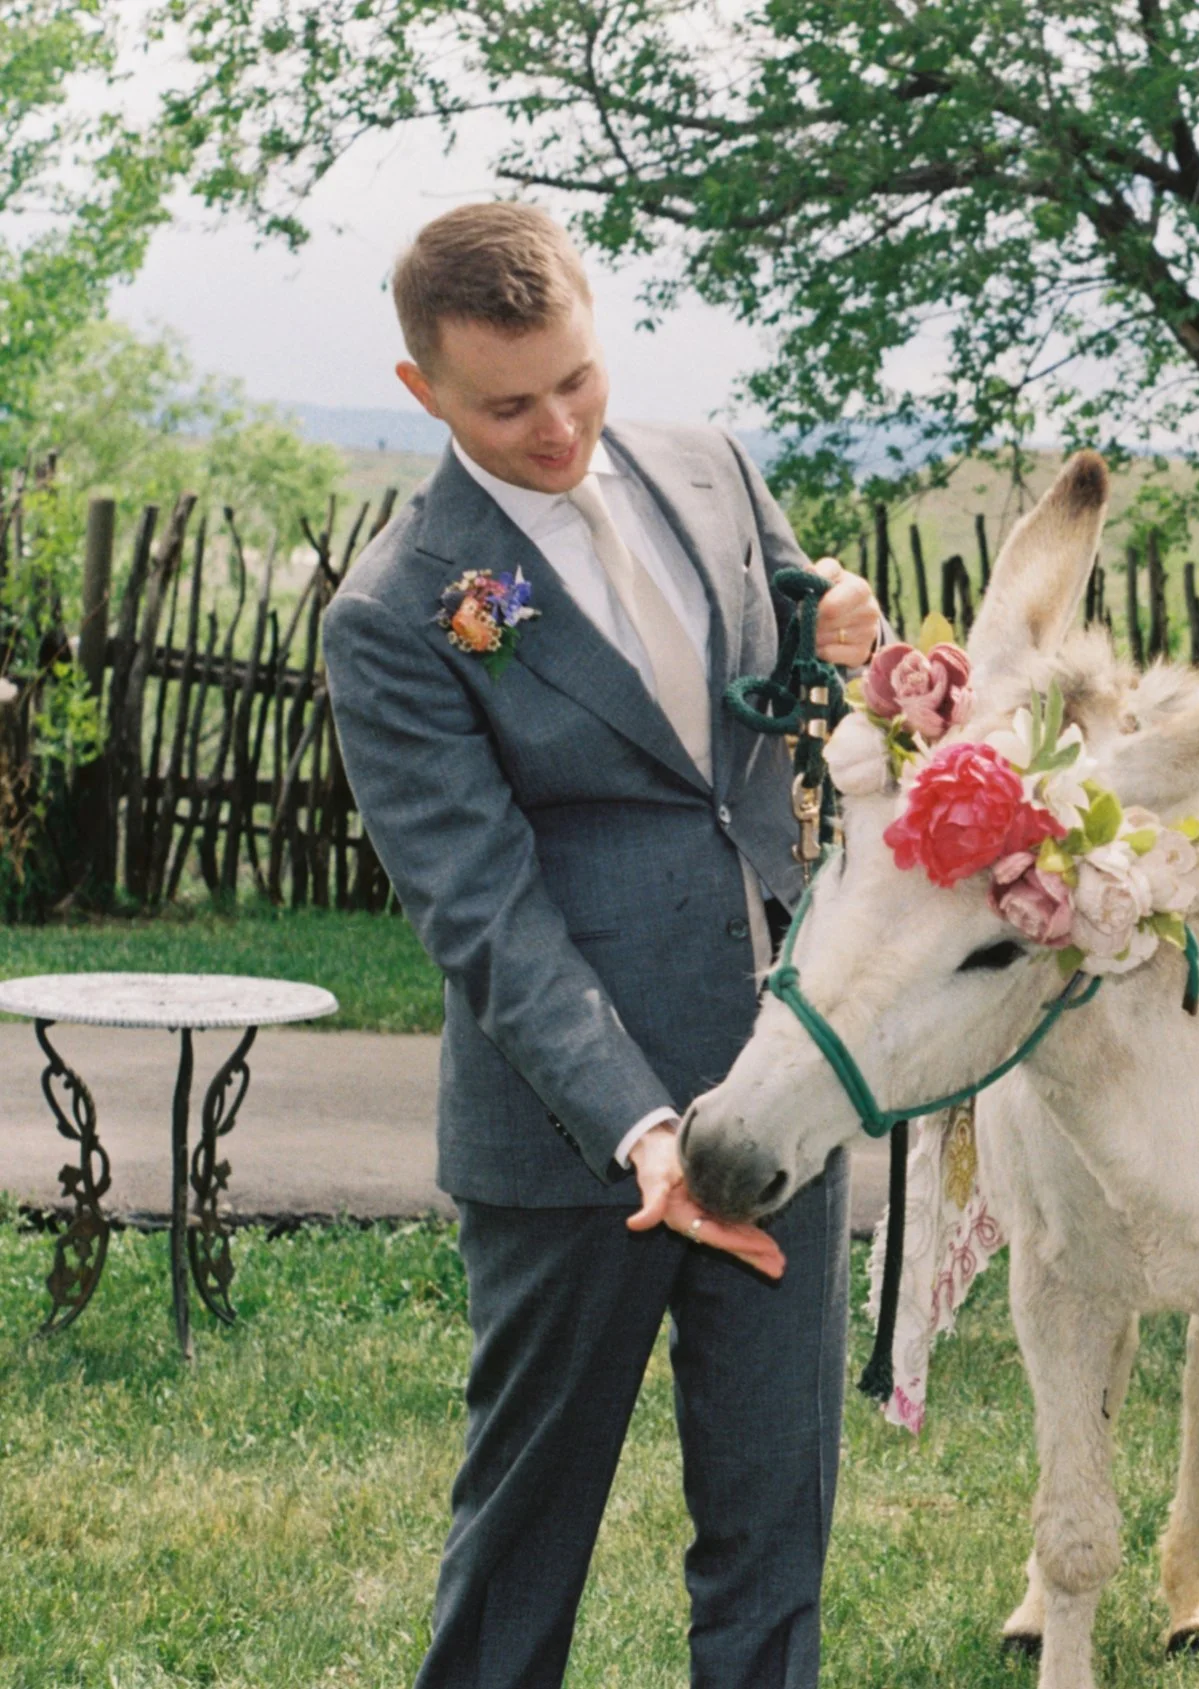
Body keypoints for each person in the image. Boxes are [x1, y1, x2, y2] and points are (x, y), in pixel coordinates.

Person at [323, 201, 885, 1688]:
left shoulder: (709, 465)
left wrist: (834, 622)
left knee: (775, 1525)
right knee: (527, 1538)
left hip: (783, 1084)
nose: (560, 425)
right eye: (508, 405)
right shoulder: (392, 616)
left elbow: (776, 656)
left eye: (576, 378)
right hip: (575, 1141)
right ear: (422, 393)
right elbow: (481, 909)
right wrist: (637, 1128)